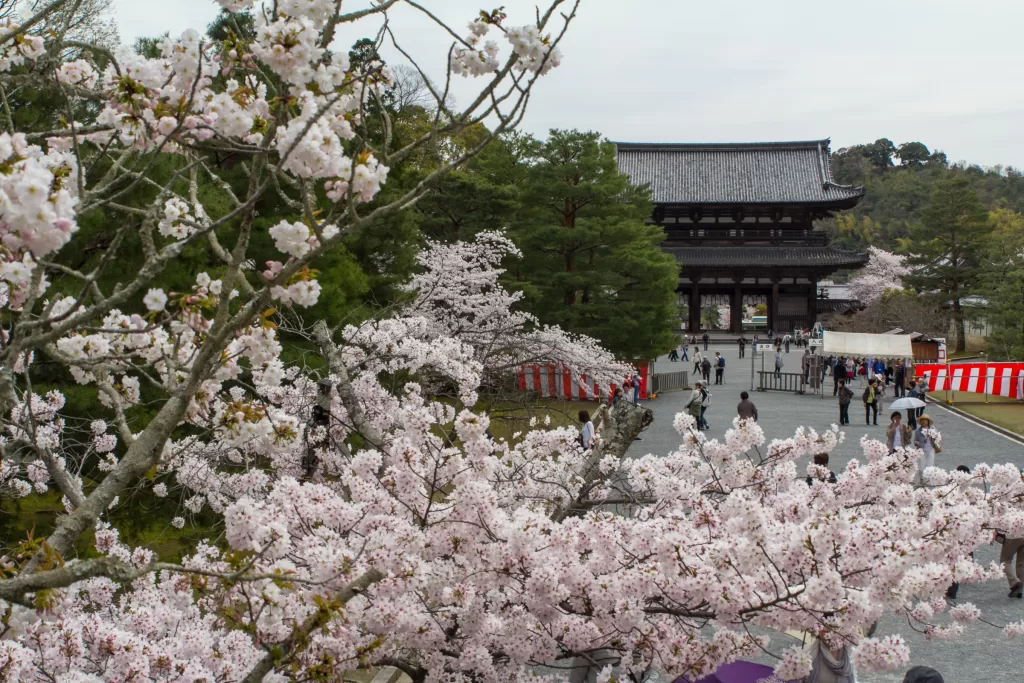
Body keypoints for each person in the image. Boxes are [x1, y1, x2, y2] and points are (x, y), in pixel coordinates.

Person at [996, 529, 1024, 599]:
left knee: (1005, 560)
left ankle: (1016, 582)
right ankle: (1019, 591)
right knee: (1021, 563)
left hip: (1012, 536)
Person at [914, 414, 940, 480]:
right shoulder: (918, 431)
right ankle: (921, 478)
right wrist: (917, 443)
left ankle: (929, 478)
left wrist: (932, 437)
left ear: (928, 421)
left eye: (925, 420)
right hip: (921, 450)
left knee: (930, 464)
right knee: (921, 465)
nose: (924, 421)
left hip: (930, 449)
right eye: (922, 420)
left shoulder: (933, 429)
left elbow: (937, 438)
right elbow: (915, 440)